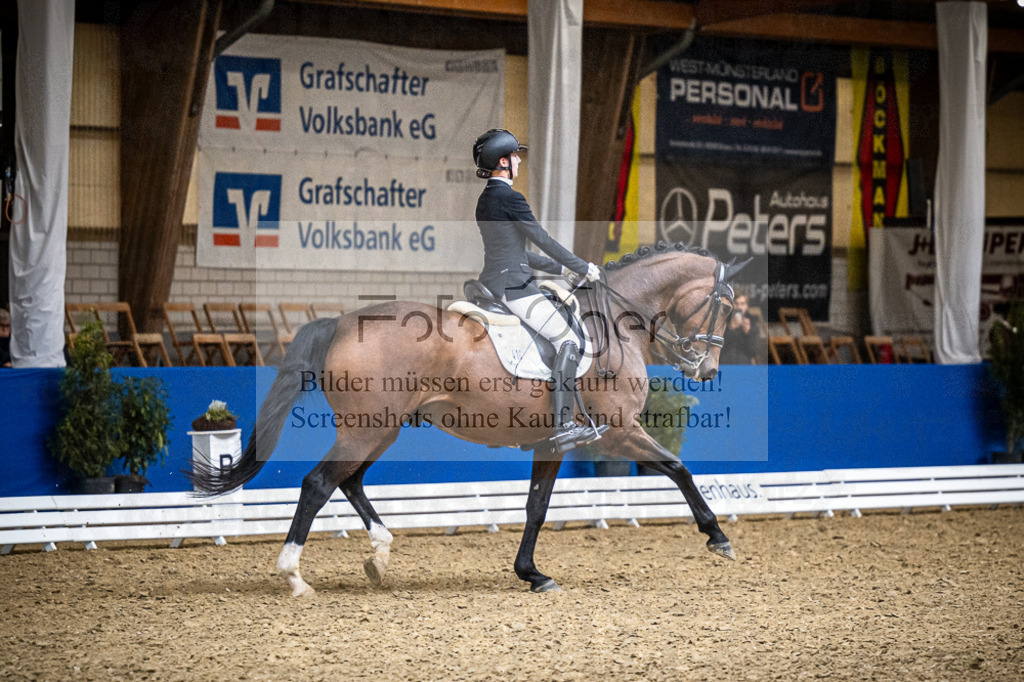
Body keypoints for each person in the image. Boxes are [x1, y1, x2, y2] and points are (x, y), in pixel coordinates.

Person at [472, 128, 605, 453]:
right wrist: (581, 267)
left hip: (494, 281)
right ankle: (562, 426)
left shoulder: (486, 199)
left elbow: (515, 252)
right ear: (503, 162)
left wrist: (558, 270)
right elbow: (542, 238)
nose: (519, 160)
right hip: (514, 288)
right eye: (515, 155)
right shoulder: (510, 198)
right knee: (570, 339)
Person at [720, 294, 759, 364]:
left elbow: (753, 352)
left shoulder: (752, 324)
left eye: (742, 304)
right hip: (724, 364)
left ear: (746, 306)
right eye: (736, 303)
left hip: (743, 366)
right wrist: (730, 329)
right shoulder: (723, 323)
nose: (739, 307)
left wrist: (748, 333)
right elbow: (719, 349)